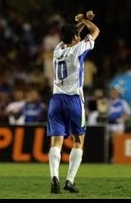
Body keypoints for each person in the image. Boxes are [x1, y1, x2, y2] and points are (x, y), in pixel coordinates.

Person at [46, 10, 100, 194]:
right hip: (73, 100)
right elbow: (96, 32)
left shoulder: (57, 49)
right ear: (76, 38)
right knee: (78, 141)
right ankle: (69, 180)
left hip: (56, 100)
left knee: (56, 143)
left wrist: (79, 22)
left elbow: (70, 33)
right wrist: (85, 20)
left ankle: (54, 176)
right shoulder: (77, 50)